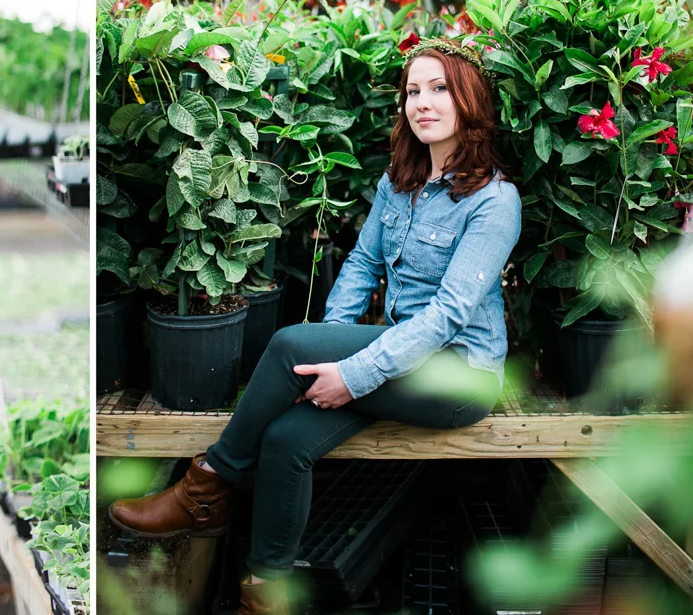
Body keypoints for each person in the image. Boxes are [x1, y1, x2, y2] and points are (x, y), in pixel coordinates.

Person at [108, 39, 522, 615]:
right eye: (412, 91)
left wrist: (352, 372)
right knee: (286, 440)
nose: (422, 103)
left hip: (458, 377)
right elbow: (362, 264)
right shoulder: (398, 184)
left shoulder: (494, 200)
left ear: (469, 100)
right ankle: (265, 592)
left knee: (289, 343)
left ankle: (207, 484)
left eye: (439, 89)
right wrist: (333, 349)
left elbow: (447, 316)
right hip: (401, 363)